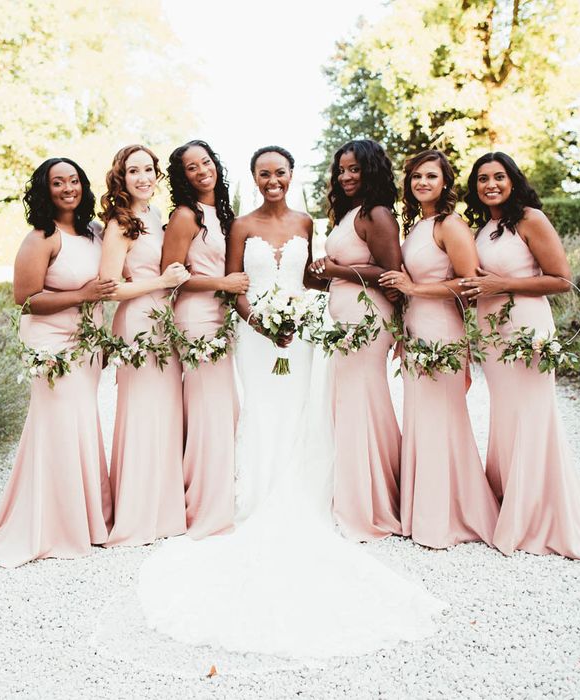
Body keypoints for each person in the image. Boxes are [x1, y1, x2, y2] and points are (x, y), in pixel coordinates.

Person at [135, 146, 445, 661]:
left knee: (304, 410)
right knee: (259, 410)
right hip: (257, 335)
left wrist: (306, 302)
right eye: (264, 173)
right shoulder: (240, 226)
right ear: (254, 178)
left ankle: (304, 490)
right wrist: (259, 321)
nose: (272, 179)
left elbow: (310, 278)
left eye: (280, 172)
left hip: (299, 333)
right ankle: (256, 492)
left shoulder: (306, 221)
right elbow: (236, 287)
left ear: (291, 176)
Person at [460, 151, 580, 562]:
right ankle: (509, 500)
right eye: (482, 179)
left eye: (498, 177)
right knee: (505, 414)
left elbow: (561, 280)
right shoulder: (484, 228)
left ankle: (538, 514)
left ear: (513, 180)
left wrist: (502, 284)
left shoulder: (531, 219)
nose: (490, 185)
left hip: (525, 326)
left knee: (533, 415)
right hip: (492, 331)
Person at [0, 158, 115, 567]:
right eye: (58, 183)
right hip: (53, 344)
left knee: (81, 425)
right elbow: (25, 298)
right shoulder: (42, 237)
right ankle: (55, 525)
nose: (68, 188)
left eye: (74, 180)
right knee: (58, 427)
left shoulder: (95, 232)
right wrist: (84, 295)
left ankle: (89, 520)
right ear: (45, 190)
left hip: (87, 341)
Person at [379, 149, 498, 548]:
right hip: (415, 331)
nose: (422, 182)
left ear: (445, 182)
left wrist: (414, 288)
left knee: (442, 417)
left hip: (442, 330)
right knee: (421, 418)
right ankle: (423, 511)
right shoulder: (415, 226)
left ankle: (452, 515)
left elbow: (469, 283)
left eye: (431, 176)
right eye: (416, 177)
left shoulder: (451, 225)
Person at [309, 139, 403, 541]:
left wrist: (337, 270)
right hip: (347, 315)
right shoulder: (350, 214)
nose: (346, 177)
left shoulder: (377, 214)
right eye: (341, 170)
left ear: (371, 170)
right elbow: (338, 270)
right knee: (349, 399)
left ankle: (371, 501)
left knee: (361, 398)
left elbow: (389, 272)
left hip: (368, 316)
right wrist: (321, 272)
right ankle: (355, 491)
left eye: (354, 169)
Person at [99, 145, 190, 547]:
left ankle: (164, 512)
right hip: (137, 322)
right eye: (133, 171)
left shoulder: (154, 215)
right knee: (141, 413)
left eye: (149, 169)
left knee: (164, 412)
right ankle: (136, 516)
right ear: (121, 177)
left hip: (162, 321)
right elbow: (109, 286)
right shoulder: (120, 223)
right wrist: (162, 284)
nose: (143, 177)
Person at [160, 140, 248, 538]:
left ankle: (217, 493)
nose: (201, 171)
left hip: (222, 315)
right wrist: (221, 282)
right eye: (190, 167)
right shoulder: (184, 216)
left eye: (206, 162)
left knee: (224, 407)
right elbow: (172, 274)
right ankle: (203, 506)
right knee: (209, 408)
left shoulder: (224, 214)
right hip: (196, 316)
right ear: (182, 176)